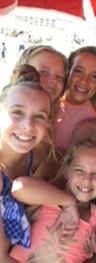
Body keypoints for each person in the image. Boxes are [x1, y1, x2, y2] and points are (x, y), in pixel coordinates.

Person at [10, 139, 96, 263]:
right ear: (66, 170)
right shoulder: (49, 197)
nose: (87, 179)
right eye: (79, 171)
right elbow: (18, 187)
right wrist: (68, 202)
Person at [0, 70, 53, 262]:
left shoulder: (36, 157)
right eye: (17, 112)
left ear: (48, 123)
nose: (28, 125)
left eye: (39, 116)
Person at [54, 46, 96, 153]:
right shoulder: (52, 100)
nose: (84, 81)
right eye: (78, 71)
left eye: (94, 76)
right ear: (68, 71)